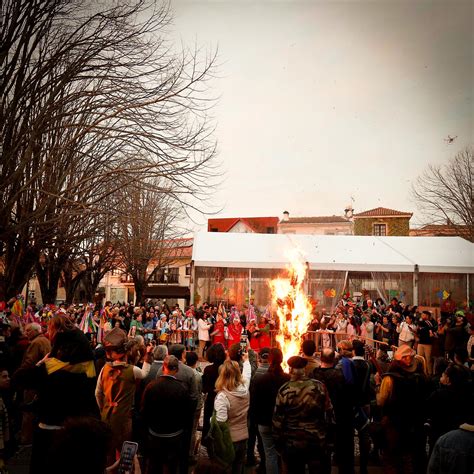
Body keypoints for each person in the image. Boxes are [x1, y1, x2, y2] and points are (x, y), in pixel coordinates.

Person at [95, 327, 152, 462]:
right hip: (124, 416)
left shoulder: (105, 368)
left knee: (108, 448)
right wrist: (148, 356)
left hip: (106, 413)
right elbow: (145, 374)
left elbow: (97, 393)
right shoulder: (132, 370)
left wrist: (103, 407)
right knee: (123, 447)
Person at [273, 356, 335, 474]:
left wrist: (279, 444)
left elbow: (277, 420)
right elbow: (329, 413)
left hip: (292, 443)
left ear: (290, 370)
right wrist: (330, 440)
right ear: (305, 369)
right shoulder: (319, 386)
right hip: (316, 440)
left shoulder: (284, 390)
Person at [375, 344, 428, 473]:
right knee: (407, 457)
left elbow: (381, 401)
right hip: (412, 422)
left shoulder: (389, 379)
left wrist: (377, 385)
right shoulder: (420, 378)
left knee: (391, 458)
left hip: (393, 423)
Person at [142, 355, 193, 474]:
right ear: (177, 370)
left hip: (155, 433)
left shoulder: (151, 386)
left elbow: (144, 410)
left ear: (163, 367)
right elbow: (187, 414)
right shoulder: (182, 388)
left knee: (155, 464)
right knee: (171, 466)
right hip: (174, 434)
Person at [313, 348, 354, 474]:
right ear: (334, 359)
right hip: (338, 415)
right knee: (341, 448)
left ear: (321, 359)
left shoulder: (314, 374)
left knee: (322, 452)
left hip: (320, 417)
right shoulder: (339, 375)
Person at [251, 348, 289, 474]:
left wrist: (255, 420)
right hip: (283, 422)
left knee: (270, 454)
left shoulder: (261, 379)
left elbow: (254, 403)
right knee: (284, 453)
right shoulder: (287, 379)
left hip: (264, 421)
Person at [214, 353, 251, 474]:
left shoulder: (223, 397)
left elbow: (221, 421)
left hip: (229, 439)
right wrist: (246, 360)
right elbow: (247, 375)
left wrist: (211, 421)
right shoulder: (245, 389)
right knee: (238, 466)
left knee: (226, 468)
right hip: (243, 435)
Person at [202, 343, 226, 442]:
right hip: (224, 399)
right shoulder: (226, 369)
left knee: (208, 421)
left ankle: (207, 440)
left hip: (211, 399)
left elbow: (204, 387)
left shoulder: (208, 369)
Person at [417, 310, 436, 375]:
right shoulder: (420, 322)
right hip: (420, 342)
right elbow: (418, 331)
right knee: (419, 358)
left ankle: (430, 373)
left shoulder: (429, 322)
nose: (421, 316)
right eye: (421, 314)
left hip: (427, 343)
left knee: (428, 359)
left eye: (423, 315)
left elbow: (432, 331)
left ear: (427, 316)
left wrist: (431, 333)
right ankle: (421, 372)